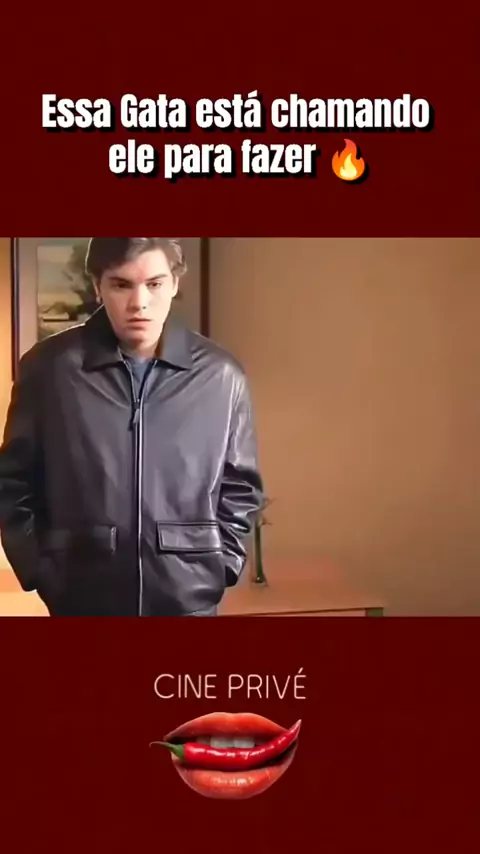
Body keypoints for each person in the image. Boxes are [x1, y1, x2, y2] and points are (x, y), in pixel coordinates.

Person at [0, 238, 263, 616]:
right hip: (80, 600)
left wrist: (222, 567)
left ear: (174, 283)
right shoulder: (50, 369)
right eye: (121, 284)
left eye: (154, 284)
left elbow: (241, 487)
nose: (139, 303)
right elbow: (13, 481)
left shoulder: (222, 376)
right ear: (98, 287)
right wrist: (38, 568)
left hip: (189, 602)